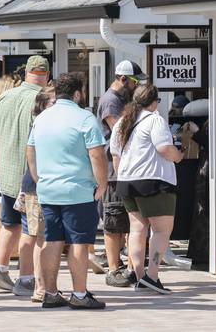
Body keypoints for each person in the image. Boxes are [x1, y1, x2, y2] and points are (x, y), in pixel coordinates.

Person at [26, 73, 108, 310]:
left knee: (52, 239)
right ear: (78, 93)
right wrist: (101, 184)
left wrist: (38, 177)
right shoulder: (84, 117)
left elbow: (30, 149)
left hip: (48, 190)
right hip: (78, 190)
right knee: (79, 241)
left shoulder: (41, 118)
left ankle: (50, 292)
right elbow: (96, 154)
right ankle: (80, 294)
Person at [110, 84, 183, 294]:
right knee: (161, 230)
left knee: (137, 229)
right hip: (153, 181)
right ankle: (152, 275)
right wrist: (179, 156)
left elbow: (116, 155)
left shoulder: (122, 122)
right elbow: (164, 149)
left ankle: (140, 275)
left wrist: (122, 175)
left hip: (126, 182)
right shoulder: (154, 120)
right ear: (153, 102)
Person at [0, 55, 49, 296]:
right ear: (47, 75)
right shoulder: (42, 100)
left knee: (9, 223)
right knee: (30, 229)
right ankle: (25, 279)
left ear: (26, 74)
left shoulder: (5, 95)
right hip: (29, 175)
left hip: (7, 172)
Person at [97, 59, 146, 287]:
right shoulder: (110, 101)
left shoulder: (123, 99)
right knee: (114, 220)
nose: (137, 86)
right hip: (113, 170)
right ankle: (113, 268)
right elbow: (120, 131)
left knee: (128, 221)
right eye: (135, 82)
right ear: (123, 79)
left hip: (126, 169)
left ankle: (127, 267)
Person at [20, 86, 55, 303]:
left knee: (41, 235)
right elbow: (30, 152)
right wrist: (37, 179)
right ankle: (39, 286)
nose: (57, 105)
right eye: (53, 101)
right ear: (42, 104)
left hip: (48, 184)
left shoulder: (53, 121)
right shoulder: (41, 123)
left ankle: (42, 284)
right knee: (39, 236)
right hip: (37, 185)